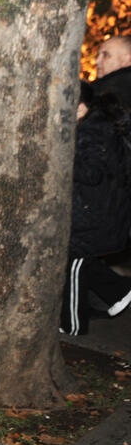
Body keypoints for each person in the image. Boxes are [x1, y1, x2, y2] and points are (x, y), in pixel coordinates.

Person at [61, 81, 131, 334]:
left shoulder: (93, 132)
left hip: (96, 217)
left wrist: (59, 156)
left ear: (80, 108)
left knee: (73, 262)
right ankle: (119, 291)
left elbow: (92, 174)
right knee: (77, 260)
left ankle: (72, 325)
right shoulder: (95, 126)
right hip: (95, 213)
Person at [93, 36, 131, 107]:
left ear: (126, 59)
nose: (97, 61)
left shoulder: (114, 93)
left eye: (106, 55)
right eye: (98, 55)